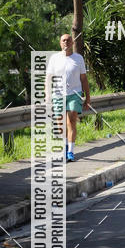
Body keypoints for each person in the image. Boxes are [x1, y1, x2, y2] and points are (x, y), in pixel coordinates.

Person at [46, 33, 91, 162]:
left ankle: (70, 151)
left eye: (68, 40)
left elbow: (84, 79)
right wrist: (47, 94)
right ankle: (65, 147)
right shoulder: (55, 58)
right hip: (58, 94)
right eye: (63, 40)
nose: (66, 42)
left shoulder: (78, 58)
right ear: (60, 43)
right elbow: (48, 78)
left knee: (71, 120)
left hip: (74, 94)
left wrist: (88, 98)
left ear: (72, 43)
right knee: (61, 125)